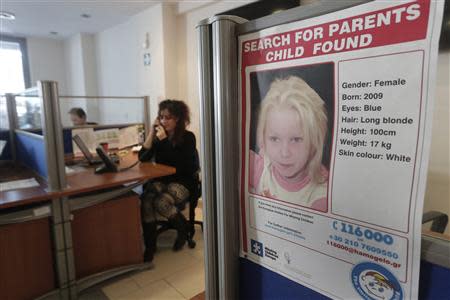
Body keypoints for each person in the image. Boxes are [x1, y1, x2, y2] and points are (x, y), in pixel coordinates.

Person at [249, 76, 329, 212]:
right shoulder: (260, 168)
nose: (284, 153)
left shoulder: (321, 198)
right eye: (274, 139)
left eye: (296, 139)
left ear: (315, 141)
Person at [138, 99, 198, 262]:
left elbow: (181, 166)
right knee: (146, 200)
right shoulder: (159, 137)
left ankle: (183, 229)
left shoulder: (188, 137)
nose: (164, 121)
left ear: (178, 119)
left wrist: (164, 140)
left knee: (161, 202)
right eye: (161, 117)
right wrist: (152, 132)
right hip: (163, 180)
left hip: (184, 181)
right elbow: (142, 158)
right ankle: (150, 246)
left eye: (168, 117)